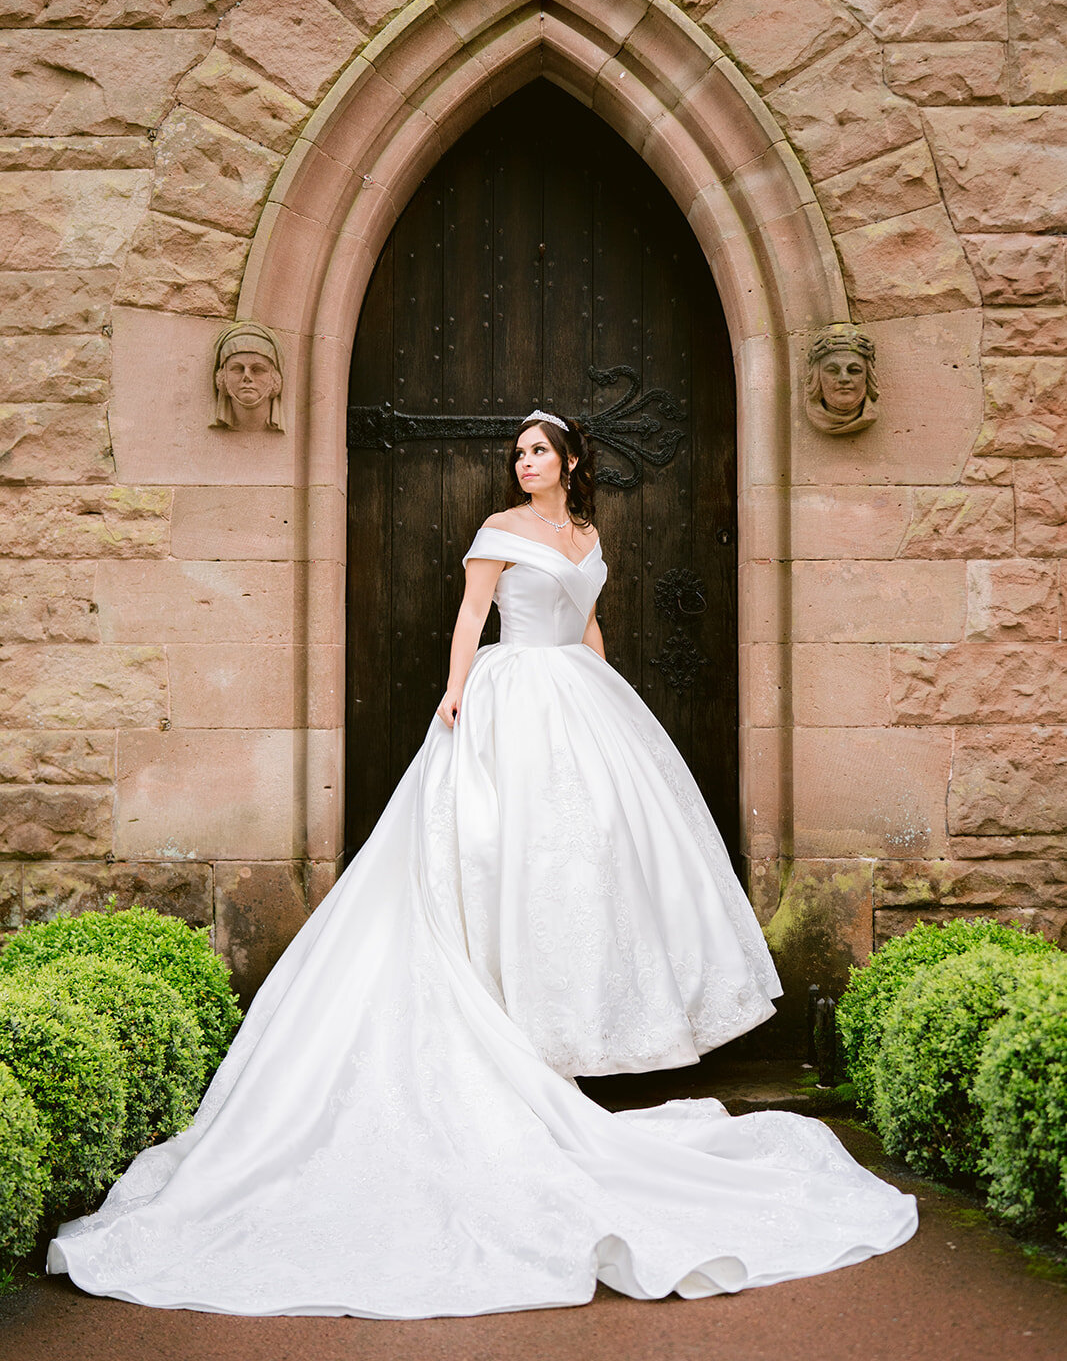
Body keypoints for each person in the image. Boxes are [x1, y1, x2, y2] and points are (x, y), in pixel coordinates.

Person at [48, 411, 917, 1318]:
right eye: (518, 453)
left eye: (539, 451)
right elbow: (472, 616)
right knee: (493, 855)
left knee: (575, 869)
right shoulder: (498, 530)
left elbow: (588, 626)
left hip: (578, 702)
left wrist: (612, 697)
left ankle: (548, 1036)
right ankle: (497, 1028)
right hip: (508, 700)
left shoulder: (585, 534)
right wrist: (457, 690)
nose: (525, 462)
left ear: (570, 462)